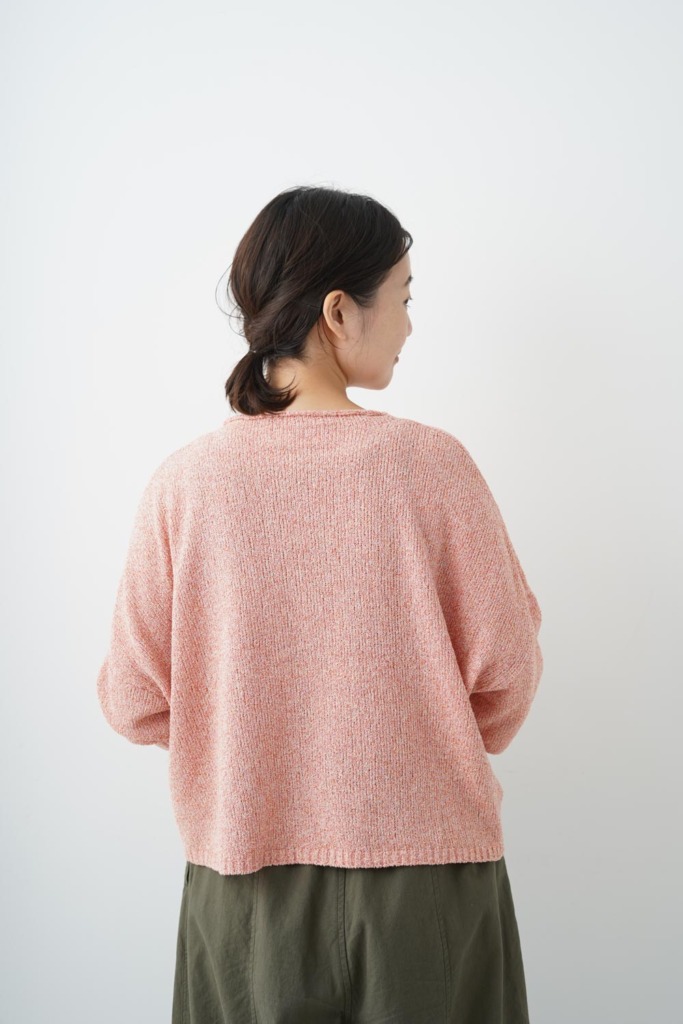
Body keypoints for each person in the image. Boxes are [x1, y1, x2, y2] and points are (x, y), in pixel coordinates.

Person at [97, 184, 543, 1023]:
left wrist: (242, 744)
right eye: (402, 298)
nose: (408, 325)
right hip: (427, 884)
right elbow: (506, 676)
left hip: (243, 887)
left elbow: (133, 699)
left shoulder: (185, 485)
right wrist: (418, 741)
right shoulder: (432, 467)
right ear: (340, 311)